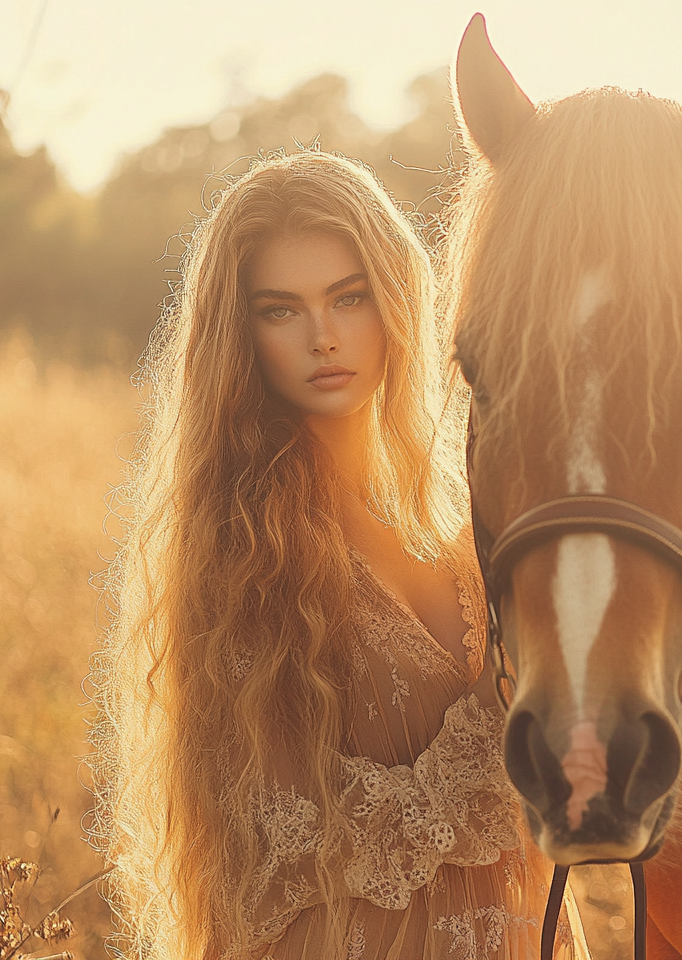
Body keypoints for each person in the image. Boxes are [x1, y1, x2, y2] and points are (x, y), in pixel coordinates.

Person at [89, 150, 586, 960]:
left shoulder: (469, 514)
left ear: (393, 299)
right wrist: (501, 745)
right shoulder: (242, 549)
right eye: (281, 311)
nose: (324, 337)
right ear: (241, 334)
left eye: (348, 298)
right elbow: (291, 828)